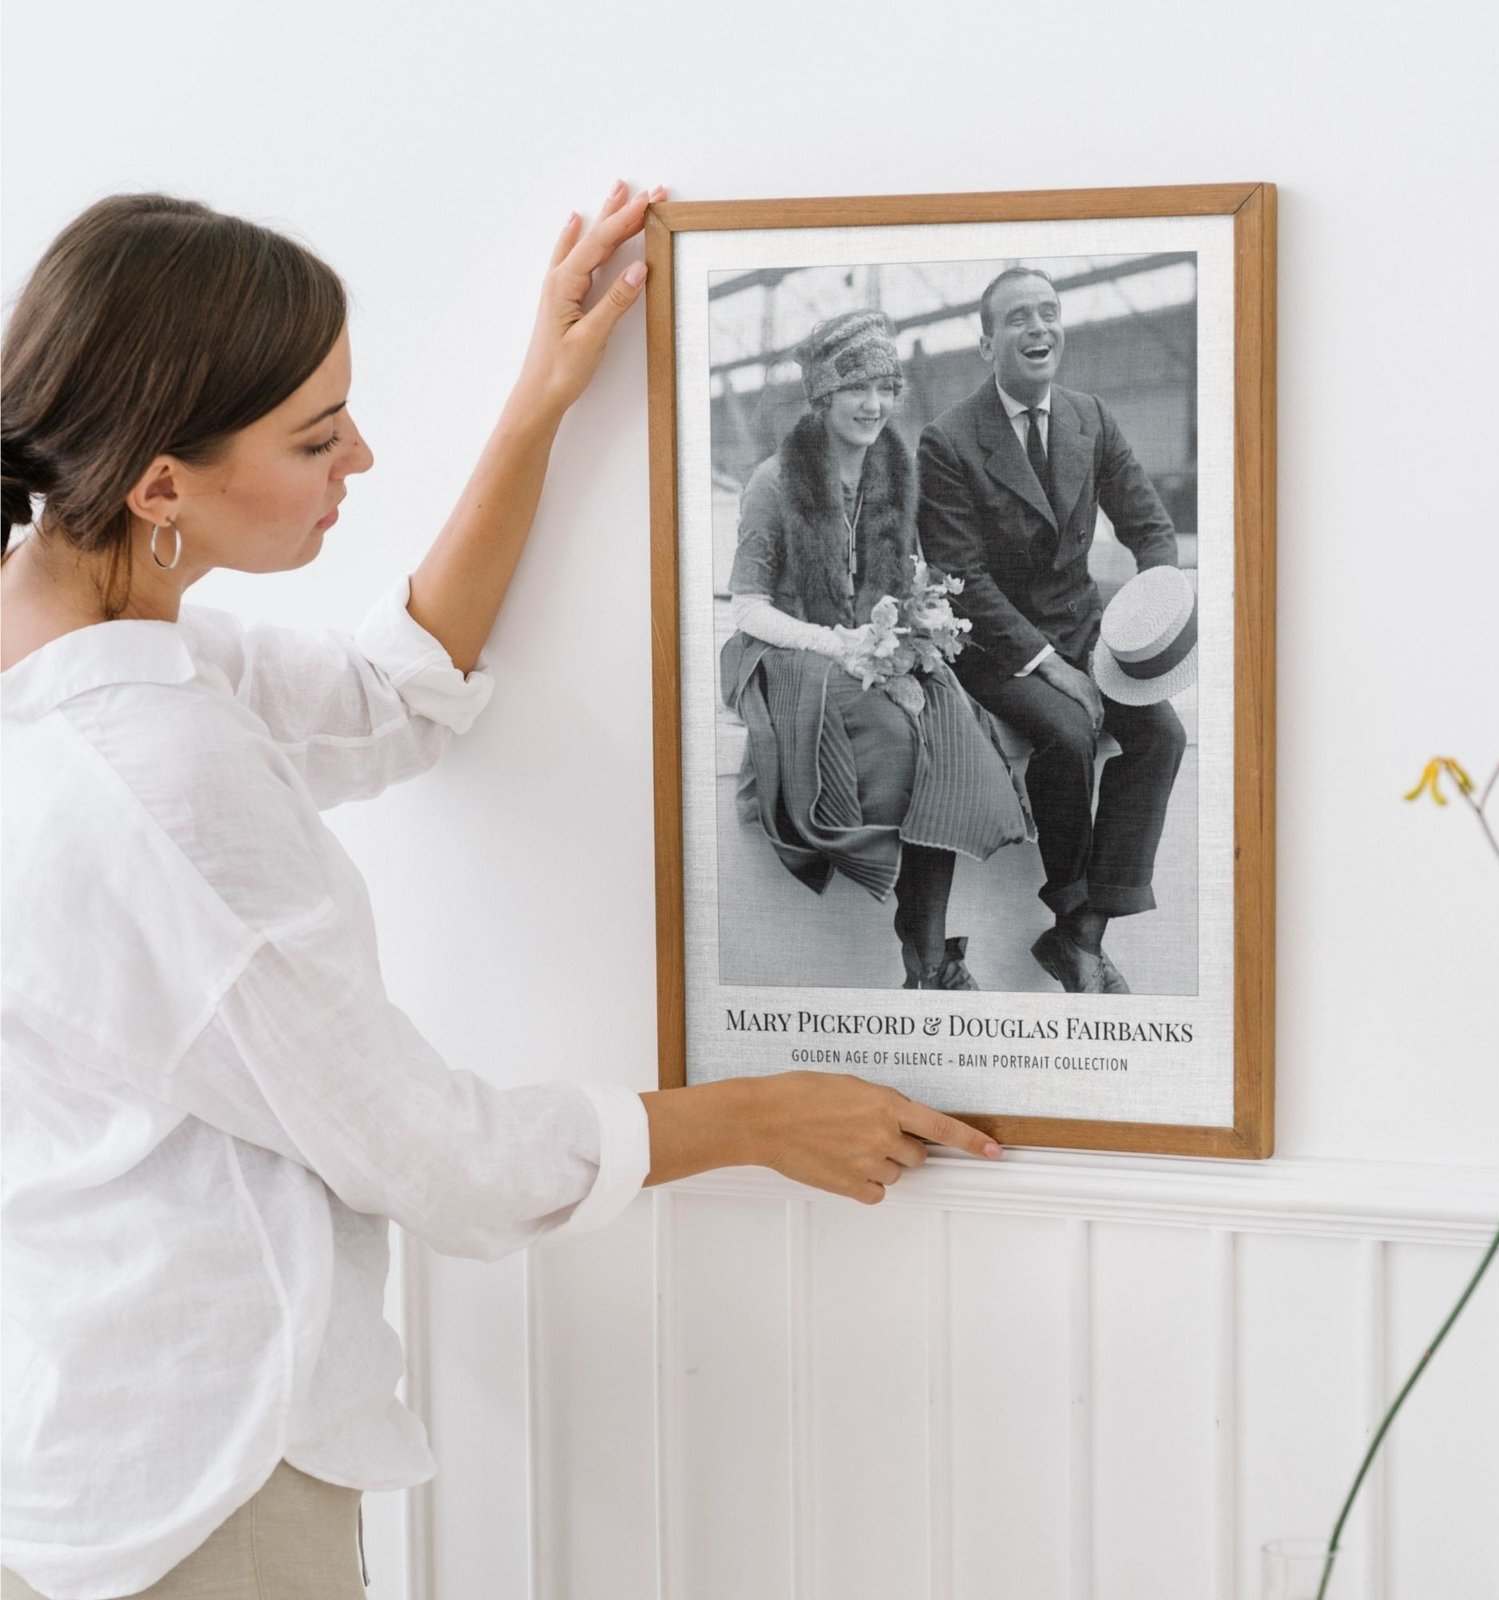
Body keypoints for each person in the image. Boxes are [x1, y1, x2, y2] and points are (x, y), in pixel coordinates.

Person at [0, 190, 1005, 1600]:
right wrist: (758, 1116)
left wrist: (543, 402)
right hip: (199, 1496)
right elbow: (435, 1156)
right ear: (159, 485)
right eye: (313, 437)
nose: (362, 453)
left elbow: (382, 695)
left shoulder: (72, 643)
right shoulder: (150, 781)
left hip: (78, 1442)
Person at [721, 311, 1032, 990]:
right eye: (857, 387)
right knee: (895, 739)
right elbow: (747, 608)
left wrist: (919, 617)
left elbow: (896, 575)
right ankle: (927, 959)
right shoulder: (775, 483)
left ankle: (931, 961)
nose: (873, 404)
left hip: (871, 639)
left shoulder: (897, 473)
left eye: (887, 388)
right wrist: (837, 643)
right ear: (824, 396)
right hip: (787, 649)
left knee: (949, 729)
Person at [916, 267, 1188, 995]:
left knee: (1162, 735)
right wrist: (1050, 666)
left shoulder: (1089, 416)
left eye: (1049, 313)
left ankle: (1081, 935)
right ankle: (1071, 910)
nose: (1039, 329)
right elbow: (962, 577)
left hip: (1087, 632)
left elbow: (1150, 528)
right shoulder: (947, 442)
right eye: (1017, 319)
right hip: (995, 647)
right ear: (985, 345)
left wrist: (1152, 615)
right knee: (1066, 735)